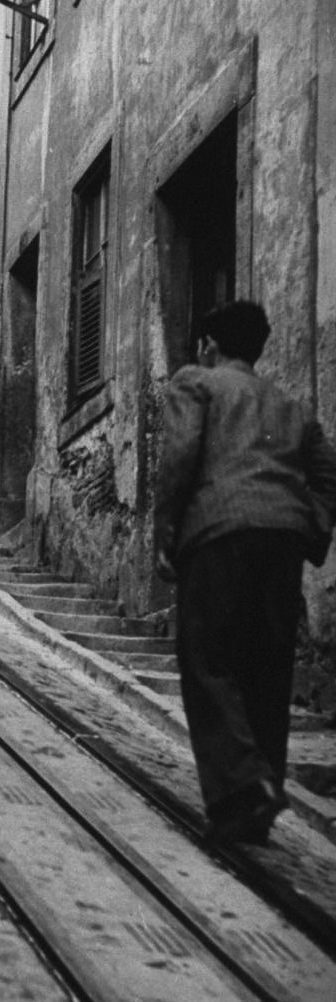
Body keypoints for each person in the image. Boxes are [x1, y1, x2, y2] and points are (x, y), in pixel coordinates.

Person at [154, 300, 336, 845]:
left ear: (209, 343)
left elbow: (180, 456)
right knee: (266, 666)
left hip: (219, 532)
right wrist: (312, 527)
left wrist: (165, 533)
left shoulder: (197, 383)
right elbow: (329, 472)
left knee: (206, 657)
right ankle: (252, 809)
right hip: (282, 541)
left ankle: (244, 780)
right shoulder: (291, 405)